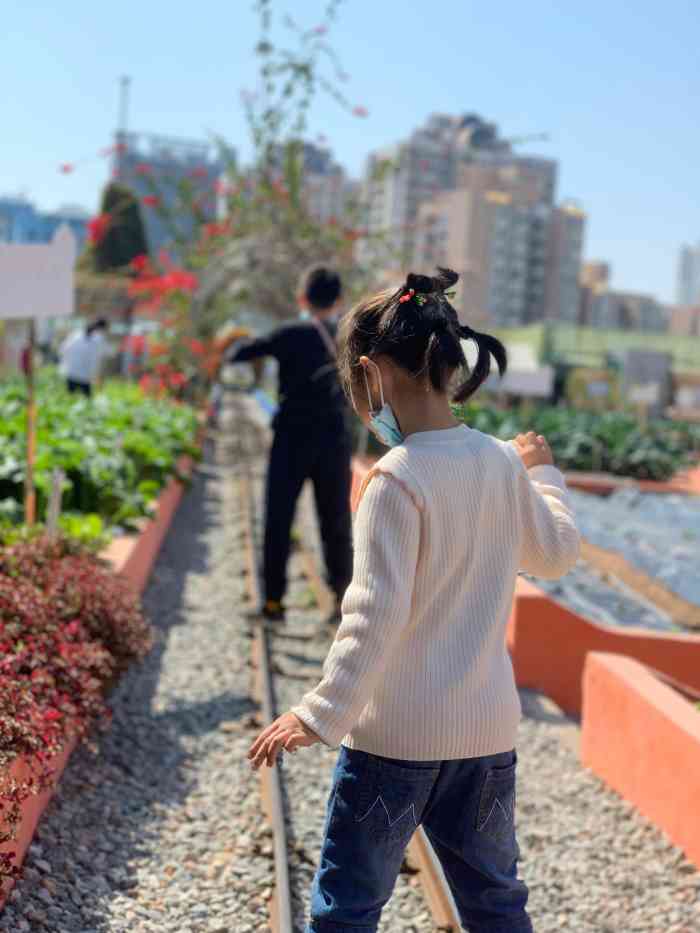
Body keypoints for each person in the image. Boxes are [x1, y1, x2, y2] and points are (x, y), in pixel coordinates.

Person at [248, 268, 580, 933]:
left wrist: (321, 712)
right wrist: (542, 472)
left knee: (347, 910)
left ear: (372, 373)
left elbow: (373, 612)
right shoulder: (498, 462)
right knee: (495, 905)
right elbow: (555, 555)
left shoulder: (397, 477)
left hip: (394, 742)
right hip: (485, 739)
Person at [228, 266, 353, 624]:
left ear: (302, 298)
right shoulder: (348, 337)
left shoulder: (289, 333)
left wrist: (234, 341)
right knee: (335, 520)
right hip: (335, 438)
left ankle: (274, 604)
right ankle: (343, 602)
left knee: (279, 517)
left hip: (292, 439)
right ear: (339, 300)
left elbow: (242, 352)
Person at [59, 318, 109, 397]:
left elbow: (62, 350)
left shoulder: (75, 335)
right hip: (85, 376)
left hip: (71, 372)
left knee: (70, 397)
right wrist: (100, 377)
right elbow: (101, 359)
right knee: (87, 399)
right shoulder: (98, 340)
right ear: (101, 328)